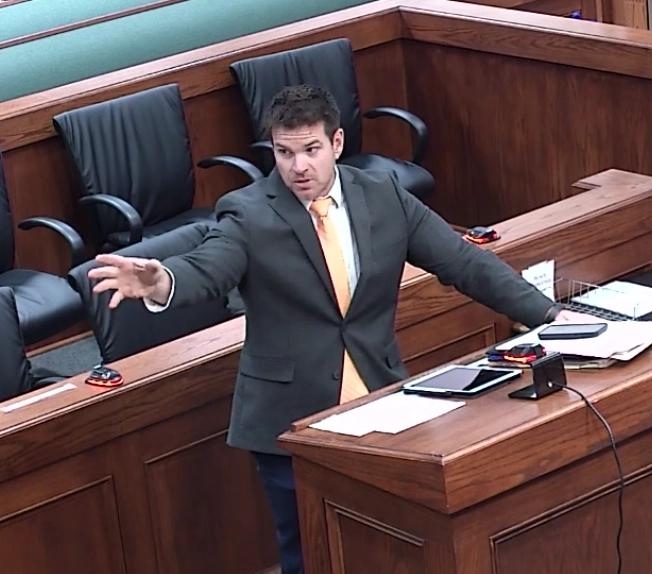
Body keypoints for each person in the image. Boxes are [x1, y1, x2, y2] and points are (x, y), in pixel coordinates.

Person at [88, 84, 589, 574]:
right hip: (291, 417)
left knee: (394, 545)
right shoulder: (247, 211)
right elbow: (209, 267)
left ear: (337, 142)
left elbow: (463, 262)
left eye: (310, 150)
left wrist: (549, 315)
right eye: (284, 153)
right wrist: (161, 281)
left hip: (381, 402)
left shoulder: (384, 195)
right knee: (310, 555)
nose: (297, 167)